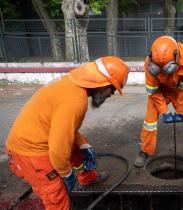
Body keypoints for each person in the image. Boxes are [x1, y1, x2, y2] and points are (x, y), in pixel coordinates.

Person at [6, 56, 129, 210]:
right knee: (57, 198)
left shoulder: (71, 84)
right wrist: (65, 174)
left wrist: (83, 144)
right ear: (102, 83)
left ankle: (88, 179)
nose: (111, 94)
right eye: (112, 89)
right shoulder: (75, 100)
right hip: (29, 152)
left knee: (77, 150)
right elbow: (58, 148)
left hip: (39, 137)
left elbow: (64, 129)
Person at [134, 35, 183, 174]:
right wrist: (164, 111)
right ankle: (145, 151)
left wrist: (181, 111)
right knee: (149, 122)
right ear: (151, 57)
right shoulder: (148, 63)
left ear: (176, 56)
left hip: (181, 91)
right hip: (159, 92)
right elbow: (152, 90)